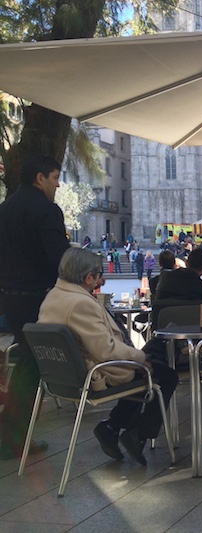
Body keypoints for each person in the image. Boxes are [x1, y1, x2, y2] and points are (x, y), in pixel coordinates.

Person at [38, 248, 178, 465]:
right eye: (98, 276)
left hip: (62, 376)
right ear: (88, 277)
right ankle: (139, 435)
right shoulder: (80, 303)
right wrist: (139, 357)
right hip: (94, 373)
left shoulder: (52, 297)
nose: (100, 281)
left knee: (145, 368)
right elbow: (107, 350)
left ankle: (112, 427)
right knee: (164, 375)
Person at [0, 154, 70, 459]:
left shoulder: (4, 209)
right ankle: (12, 437)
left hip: (9, 297)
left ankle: (12, 433)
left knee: (27, 361)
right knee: (32, 364)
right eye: (55, 177)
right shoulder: (46, 210)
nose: (57, 184)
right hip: (36, 298)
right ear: (39, 178)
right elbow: (60, 259)